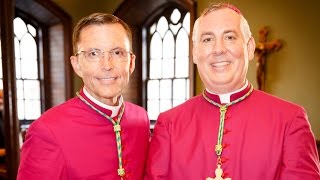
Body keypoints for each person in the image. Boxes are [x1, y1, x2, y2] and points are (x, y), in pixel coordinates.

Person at [145, 2, 320, 180]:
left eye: (229, 37)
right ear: (195, 52)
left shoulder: (290, 121)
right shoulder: (168, 124)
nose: (218, 49)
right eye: (207, 39)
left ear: (250, 47)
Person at [18, 13, 150, 180]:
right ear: (77, 65)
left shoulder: (140, 117)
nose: (107, 65)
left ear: (131, 63)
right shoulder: (46, 130)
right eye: (93, 54)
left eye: (117, 53)